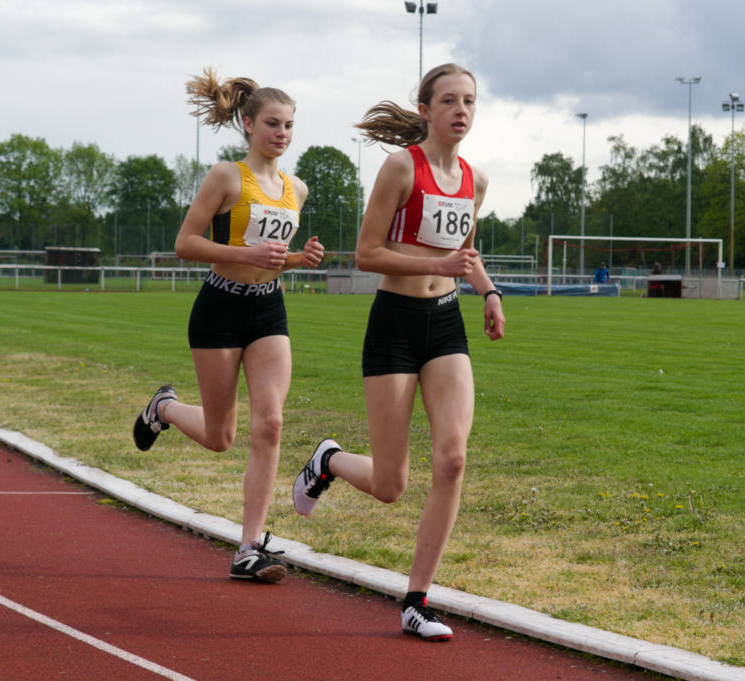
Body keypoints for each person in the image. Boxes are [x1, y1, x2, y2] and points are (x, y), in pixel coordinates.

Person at [292, 63, 504, 641]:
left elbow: (465, 252)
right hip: (394, 325)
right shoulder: (399, 168)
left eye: (470, 101)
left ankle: (417, 600)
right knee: (391, 485)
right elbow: (366, 253)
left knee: (453, 458)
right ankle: (328, 461)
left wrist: (488, 292)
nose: (461, 110)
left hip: (446, 325)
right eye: (450, 101)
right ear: (426, 110)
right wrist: (435, 265)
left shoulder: (475, 181)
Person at [133, 67, 324, 583]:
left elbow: (270, 260)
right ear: (248, 124)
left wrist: (296, 262)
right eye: (272, 124)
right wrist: (248, 251)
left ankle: (248, 548)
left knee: (271, 423)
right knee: (220, 435)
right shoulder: (225, 177)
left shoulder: (295, 189)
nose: (281, 134)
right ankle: (165, 408)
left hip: (268, 310)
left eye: (288, 126)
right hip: (219, 306)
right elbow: (185, 244)